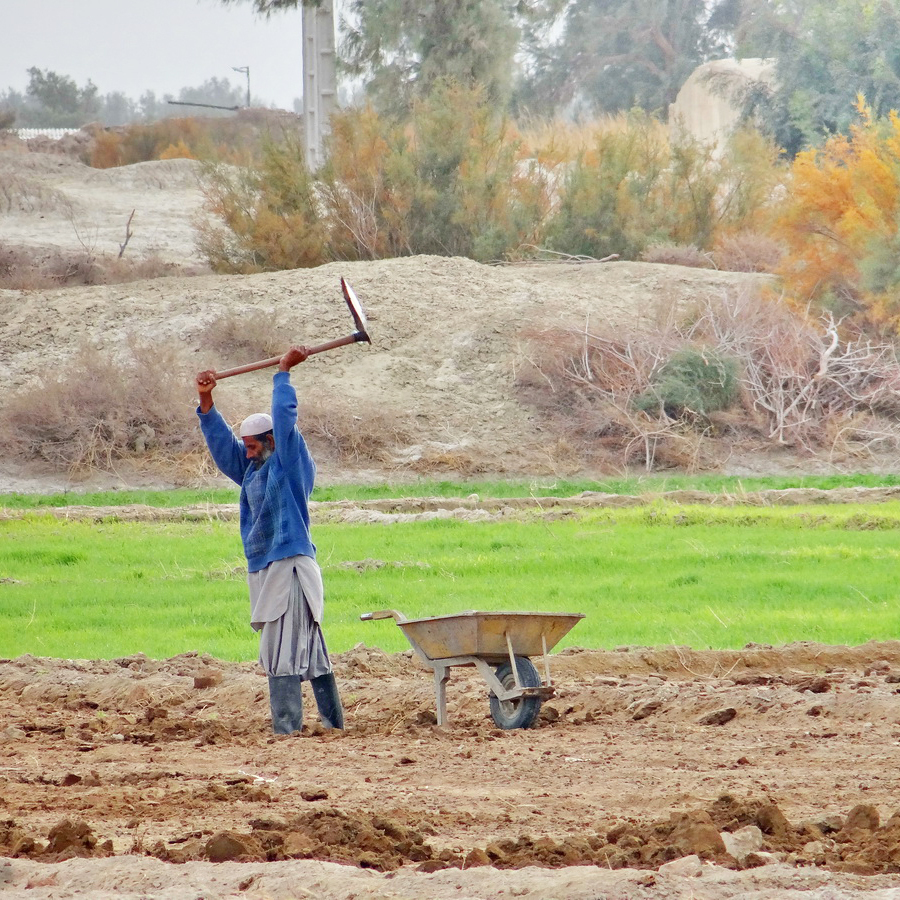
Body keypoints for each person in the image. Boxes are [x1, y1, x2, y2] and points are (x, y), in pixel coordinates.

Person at [195, 347, 344, 734]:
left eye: (253, 445)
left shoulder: (290, 462)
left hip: (291, 565)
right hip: (265, 567)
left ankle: (287, 730)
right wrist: (206, 400)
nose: (246, 453)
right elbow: (223, 448)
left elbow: (284, 419)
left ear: (271, 440)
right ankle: (333, 725)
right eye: (245, 446)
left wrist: (282, 374)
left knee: (280, 649)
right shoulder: (251, 469)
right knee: (308, 651)